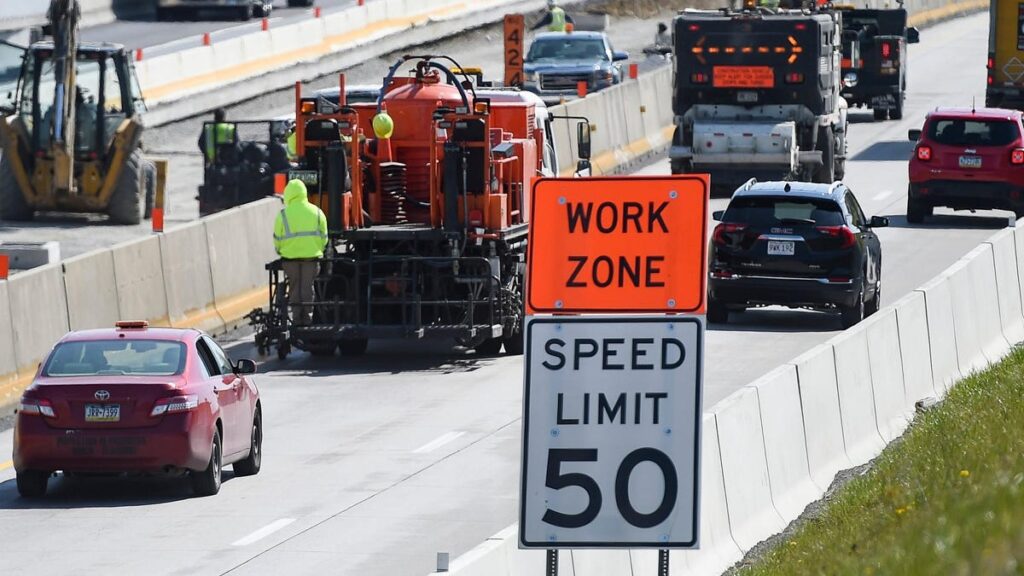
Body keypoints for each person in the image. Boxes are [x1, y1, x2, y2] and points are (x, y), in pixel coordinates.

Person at [274, 179, 328, 326]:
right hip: (311, 258)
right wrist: (318, 249)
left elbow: (277, 238)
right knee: (307, 288)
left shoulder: (283, 215)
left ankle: (297, 320)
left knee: (294, 288)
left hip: (289, 259)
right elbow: (324, 237)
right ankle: (307, 320)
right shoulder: (317, 212)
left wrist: (281, 250)